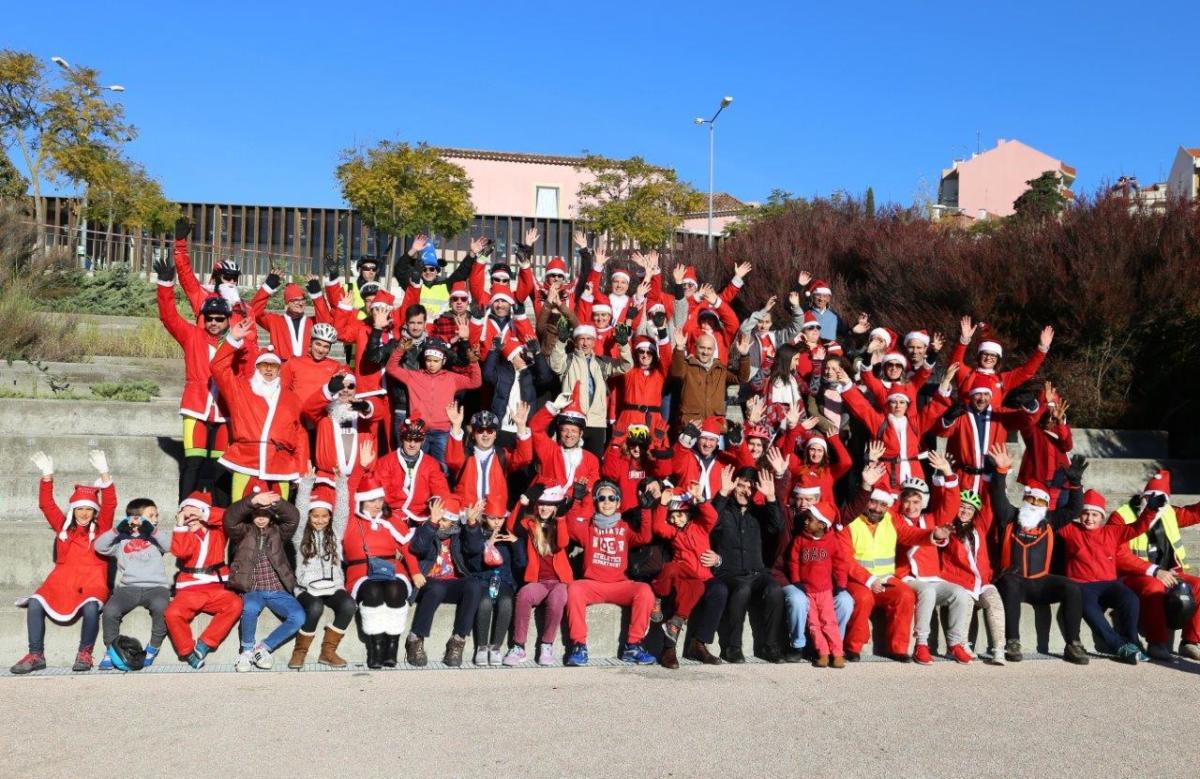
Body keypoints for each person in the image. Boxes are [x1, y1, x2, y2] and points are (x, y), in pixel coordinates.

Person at [11, 450, 115, 674]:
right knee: (35, 602)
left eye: (89, 509)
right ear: (73, 510)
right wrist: (47, 476)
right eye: (80, 508)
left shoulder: (103, 529)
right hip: (61, 581)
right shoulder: (63, 527)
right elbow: (46, 505)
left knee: (91, 607)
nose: (84, 513)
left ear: (94, 512)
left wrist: (105, 474)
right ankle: (36, 655)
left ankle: (84, 653)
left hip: (92, 583)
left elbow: (110, 505)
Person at [987, 444, 1088, 664]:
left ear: (1046, 506)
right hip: (1014, 582)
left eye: (1040, 501)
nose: (1034, 505)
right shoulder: (1010, 516)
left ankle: (1074, 643)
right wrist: (1001, 472)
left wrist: (1075, 484)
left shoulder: (1050, 521)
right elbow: (997, 496)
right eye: (1031, 500)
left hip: (1040, 581)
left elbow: (1074, 509)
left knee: (1072, 588)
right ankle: (1012, 641)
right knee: (1010, 582)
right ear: (1024, 499)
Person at [841, 466, 951, 662]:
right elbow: (845, 560)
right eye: (873, 502)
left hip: (886, 579)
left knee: (905, 595)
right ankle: (853, 647)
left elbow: (910, 534)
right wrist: (869, 580)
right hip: (858, 580)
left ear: (888, 506)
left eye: (883, 504)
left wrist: (933, 534)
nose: (877, 508)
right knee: (863, 599)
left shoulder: (890, 519)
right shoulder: (850, 521)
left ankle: (898, 649)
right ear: (865, 501)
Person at [155, 251, 236, 501]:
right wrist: (165, 284)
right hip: (196, 406)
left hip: (225, 411)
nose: (214, 323)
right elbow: (168, 316)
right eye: (209, 318)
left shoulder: (236, 343)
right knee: (193, 463)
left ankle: (221, 516)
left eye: (219, 319)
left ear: (228, 320)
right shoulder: (192, 336)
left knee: (221, 468)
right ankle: (184, 511)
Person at [891, 452, 974, 665]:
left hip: (932, 578)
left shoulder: (930, 518)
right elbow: (908, 535)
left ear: (924, 502)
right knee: (927, 591)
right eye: (906, 502)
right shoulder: (895, 520)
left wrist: (947, 472)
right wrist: (932, 534)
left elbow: (951, 506)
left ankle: (954, 644)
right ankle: (921, 644)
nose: (911, 507)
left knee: (960, 593)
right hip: (907, 578)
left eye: (916, 501)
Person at [563, 480, 657, 666]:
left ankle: (633, 646)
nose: (607, 502)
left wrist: (646, 510)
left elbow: (644, 537)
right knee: (574, 589)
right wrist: (576, 501)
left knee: (644, 590)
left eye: (612, 498)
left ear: (618, 502)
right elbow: (572, 529)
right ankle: (579, 646)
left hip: (619, 585)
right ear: (596, 502)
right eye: (602, 498)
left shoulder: (624, 527)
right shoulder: (589, 528)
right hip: (594, 585)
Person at [211, 317, 305, 499]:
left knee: (279, 513)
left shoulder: (291, 398)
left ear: (279, 370)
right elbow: (218, 368)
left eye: (273, 366)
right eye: (264, 365)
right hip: (245, 460)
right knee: (240, 510)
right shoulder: (240, 389)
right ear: (257, 368)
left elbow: (299, 435)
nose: (269, 369)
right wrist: (232, 339)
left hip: (280, 465)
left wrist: (300, 469)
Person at [1058, 489, 1155, 664]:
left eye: (1095, 514)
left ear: (1102, 517)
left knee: (1131, 599)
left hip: (1109, 584)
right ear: (1079, 515)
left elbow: (1137, 528)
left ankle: (1133, 642)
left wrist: (1150, 511)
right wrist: (1073, 489)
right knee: (1088, 608)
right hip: (1082, 585)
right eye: (1085, 513)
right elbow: (1057, 518)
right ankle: (1119, 646)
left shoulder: (1111, 532)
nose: (1089, 518)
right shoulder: (1071, 530)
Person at [1111, 470, 1200, 661]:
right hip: (1131, 575)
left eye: (1160, 498)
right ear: (1142, 496)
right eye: (1149, 496)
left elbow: (1194, 513)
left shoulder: (1168, 512)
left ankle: (1190, 642)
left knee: (1198, 585)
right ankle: (1157, 643)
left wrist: (1161, 572)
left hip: (1167, 573)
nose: (1155, 502)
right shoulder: (1121, 516)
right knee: (1154, 586)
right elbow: (1118, 555)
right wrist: (1154, 571)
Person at [343, 471, 420, 669]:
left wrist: (415, 571)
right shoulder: (350, 519)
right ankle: (376, 647)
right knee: (373, 591)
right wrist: (361, 466)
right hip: (361, 571)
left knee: (395, 590)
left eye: (379, 499)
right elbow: (348, 494)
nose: (377, 504)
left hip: (391, 568)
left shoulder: (390, 519)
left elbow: (407, 547)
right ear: (361, 501)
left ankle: (392, 645)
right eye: (371, 500)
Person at [223, 483, 305, 672]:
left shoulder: (278, 532)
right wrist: (251, 501)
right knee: (250, 608)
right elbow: (229, 519)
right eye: (257, 514)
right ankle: (246, 651)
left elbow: (293, 518)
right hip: (253, 589)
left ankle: (263, 648)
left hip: (277, 589)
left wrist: (276, 502)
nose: (261, 518)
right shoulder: (243, 531)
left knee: (298, 617)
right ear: (251, 515)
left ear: (271, 516)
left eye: (265, 515)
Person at [710, 465, 786, 664]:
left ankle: (770, 646)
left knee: (775, 589)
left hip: (756, 572)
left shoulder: (759, 513)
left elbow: (777, 527)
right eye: (741, 485)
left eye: (750, 487)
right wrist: (723, 493)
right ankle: (732, 647)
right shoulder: (723, 510)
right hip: (729, 572)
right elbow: (709, 521)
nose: (745, 491)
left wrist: (771, 497)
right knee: (742, 589)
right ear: (734, 485)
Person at [650, 483, 727, 669]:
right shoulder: (674, 533)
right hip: (685, 575)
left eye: (679, 515)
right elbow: (658, 527)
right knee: (673, 573)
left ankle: (698, 644)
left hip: (704, 577)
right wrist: (662, 504)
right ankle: (668, 648)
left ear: (689, 514)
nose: (675, 520)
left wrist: (700, 498)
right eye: (672, 517)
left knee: (720, 590)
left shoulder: (700, 526)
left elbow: (712, 516)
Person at [164, 491, 242, 668]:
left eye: (193, 514)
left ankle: (205, 643)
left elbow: (230, 516)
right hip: (190, 588)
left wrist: (202, 513)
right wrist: (180, 525)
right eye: (185, 514)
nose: (189, 518)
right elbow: (180, 552)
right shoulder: (183, 533)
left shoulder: (218, 530)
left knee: (235, 604)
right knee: (172, 613)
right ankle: (187, 651)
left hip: (216, 586)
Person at [407, 496, 486, 667]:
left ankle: (457, 641)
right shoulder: (426, 529)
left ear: (453, 521)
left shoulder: (458, 533)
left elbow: (475, 548)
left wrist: (472, 524)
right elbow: (417, 548)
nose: (441, 523)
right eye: (439, 519)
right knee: (437, 588)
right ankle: (415, 639)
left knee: (474, 585)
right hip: (429, 581)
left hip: (452, 581)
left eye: (445, 520)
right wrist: (432, 524)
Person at [95, 497, 171, 670]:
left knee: (162, 608)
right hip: (128, 588)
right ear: (135, 519)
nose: (156, 519)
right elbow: (99, 546)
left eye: (156, 515)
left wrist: (153, 531)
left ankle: (153, 647)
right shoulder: (121, 539)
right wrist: (116, 530)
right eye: (151, 516)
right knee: (110, 610)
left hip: (156, 587)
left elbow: (170, 546)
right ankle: (111, 650)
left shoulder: (155, 537)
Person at [290, 472, 355, 669]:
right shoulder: (299, 535)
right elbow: (300, 510)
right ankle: (300, 652)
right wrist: (306, 484)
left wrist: (341, 483)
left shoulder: (335, 533)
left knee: (348, 605)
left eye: (324, 516)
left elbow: (343, 510)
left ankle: (328, 652)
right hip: (306, 587)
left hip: (332, 585)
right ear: (309, 516)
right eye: (315, 516)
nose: (320, 520)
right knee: (315, 608)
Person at [504, 485, 574, 667]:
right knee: (524, 594)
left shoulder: (561, 522)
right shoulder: (531, 524)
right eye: (541, 504)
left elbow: (562, 542)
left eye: (549, 504)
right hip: (539, 581)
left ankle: (547, 644)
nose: (544, 508)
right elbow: (511, 526)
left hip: (559, 581)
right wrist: (523, 501)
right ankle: (518, 646)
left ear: (556, 507)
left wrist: (560, 517)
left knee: (558, 599)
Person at [386, 337, 483, 464]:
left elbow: (475, 382)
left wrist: (474, 363)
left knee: (443, 467)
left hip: (442, 432)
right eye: (428, 360)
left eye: (436, 361)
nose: (431, 364)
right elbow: (391, 369)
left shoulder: (451, 378)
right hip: (419, 431)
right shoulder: (414, 376)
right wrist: (400, 349)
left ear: (443, 361)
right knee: (417, 466)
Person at [938, 489, 1007, 664]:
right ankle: (960, 644)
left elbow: (990, 507)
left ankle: (999, 649)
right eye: (962, 506)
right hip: (957, 578)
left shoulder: (978, 528)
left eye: (970, 508)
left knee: (994, 600)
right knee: (966, 600)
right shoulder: (948, 528)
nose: (965, 511)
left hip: (980, 580)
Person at [549, 319, 634, 456]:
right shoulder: (568, 360)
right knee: (570, 461)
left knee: (594, 461)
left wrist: (623, 345)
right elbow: (555, 365)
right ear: (575, 342)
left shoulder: (601, 363)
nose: (585, 343)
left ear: (594, 342)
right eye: (581, 339)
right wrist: (561, 341)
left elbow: (626, 366)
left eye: (589, 339)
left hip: (596, 422)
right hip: (572, 420)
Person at [787, 500, 849, 668]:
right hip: (807, 591)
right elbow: (793, 561)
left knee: (829, 622)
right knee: (814, 624)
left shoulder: (832, 541)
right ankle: (823, 653)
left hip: (825, 591)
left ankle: (837, 653)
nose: (806, 522)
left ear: (822, 524)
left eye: (810, 519)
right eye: (806, 519)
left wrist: (841, 583)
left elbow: (840, 563)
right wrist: (796, 580)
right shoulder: (800, 539)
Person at [464, 503, 525, 665]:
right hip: (483, 579)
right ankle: (481, 647)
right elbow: (474, 565)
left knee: (506, 602)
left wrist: (516, 543)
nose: (497, 522)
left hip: (504, 580)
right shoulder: (478, 535)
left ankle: (496, 647)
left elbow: (521, 564)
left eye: (500, 518)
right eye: (492, 518)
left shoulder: (509, 535)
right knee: (484, 603)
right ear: (485, 518)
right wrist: (487, 545)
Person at [446, 404, 532, 517]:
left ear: (495, 434)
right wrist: (456, 426)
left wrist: (521, 426)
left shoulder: (502, 455)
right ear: (473, 434)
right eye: (480, 430)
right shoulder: (465, 454)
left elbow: (524, 458)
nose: (485, 435)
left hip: (494, 517)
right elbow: (453, 460)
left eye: (490, 431)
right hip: (466, 514)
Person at [948, 316, 1053, 407]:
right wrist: (964, 341)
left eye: (993, 355)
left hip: (991, 422)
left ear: (998, 359)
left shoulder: (1002, 380)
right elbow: (955, 364)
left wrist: (1041, 350)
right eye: (985, 354)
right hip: (965, 421)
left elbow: (1026, 372)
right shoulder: (967, 375)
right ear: (979, 356)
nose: (988, 358)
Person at [373, 418, 452, 524]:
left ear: (423, 441)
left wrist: (436, 500)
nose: (412, 444)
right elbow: (382, 488)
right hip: (394, 514)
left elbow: (440, 487)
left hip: (422, 515)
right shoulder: (386, 462)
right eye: (408, 439)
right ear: (402, 439)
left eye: (417, 440)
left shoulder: (431, 463)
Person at [669, 330, 751, 429]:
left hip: (715, 425)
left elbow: (741, 379)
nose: (705, 352)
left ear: (714, 350)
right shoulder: (687, 366)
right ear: (695, 347)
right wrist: (679, 348)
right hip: (691, 424)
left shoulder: (720, 369)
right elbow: (676, 373)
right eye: (702, 348)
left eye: (709, 349)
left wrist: (744, 356)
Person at [251, 273, 336, 362]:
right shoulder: (275, 321)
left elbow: (326, 322)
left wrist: (316, 294)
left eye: (302, 300)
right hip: (283, 367)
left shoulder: (312, 322)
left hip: (307, 366)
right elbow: (253, 312)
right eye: (295, 300)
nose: (300, 303)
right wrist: (268, 287)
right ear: (287, 303)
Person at [281, 321, 345, 409]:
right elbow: (282, 390)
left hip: (320, 413)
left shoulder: (335, 366)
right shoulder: (293, 362)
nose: (321, 350)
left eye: (326, 347)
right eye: (318, 344)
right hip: (296, 412)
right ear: (311, 342)